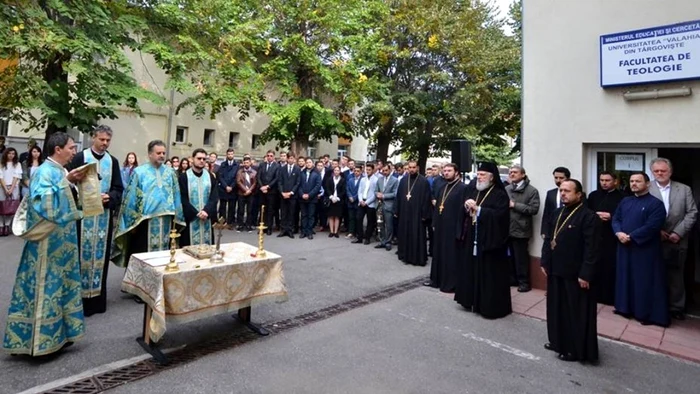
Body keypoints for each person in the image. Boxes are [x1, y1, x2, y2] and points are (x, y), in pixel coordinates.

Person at [3, 132, 86, 356]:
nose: (74, 151)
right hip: (46, 242)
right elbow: (41, 203)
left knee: (62, 286)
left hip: (63, 241)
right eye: (71, 147)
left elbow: (71, 202)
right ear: (57, 149)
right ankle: (40, 342)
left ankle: (61, 334)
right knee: (46, 286)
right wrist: (66, 184)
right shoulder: (43, 172)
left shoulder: (61, 171)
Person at [541, 179, 599, 363]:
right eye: (561, 190)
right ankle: (558, 341)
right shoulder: (557, 212)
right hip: (556, 269)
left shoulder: (588, 217)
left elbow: (593, 249)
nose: (563, 193)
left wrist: (586, 273)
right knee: (556, 308)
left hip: (575, 273)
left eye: (568, 191)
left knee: (575, 312)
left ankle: (575, 349)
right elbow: (549, 239)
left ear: (579, 194)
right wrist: (545, 261)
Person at [68, 125, 123, 316]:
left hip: (103, 217)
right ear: (93, 138)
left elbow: (118, 188)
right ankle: (78, 302)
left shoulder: (113, 161)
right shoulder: (80, 158)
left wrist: (110, 196)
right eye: (101, 139)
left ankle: (98, 302)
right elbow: (68, 183)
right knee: (81, 257)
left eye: (108, 140)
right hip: (83, 217)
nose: (105, 143)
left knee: (100, 258)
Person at [113, 140, 185, 268]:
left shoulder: (170, 172)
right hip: (144, 221)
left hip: (167, 220)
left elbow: (176, 195)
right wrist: (131, 222)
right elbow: (130, 197)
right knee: (142, 255)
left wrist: (178, 216)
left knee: (165, 255)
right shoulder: (139, 172)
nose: (162, 155)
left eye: (163, 153)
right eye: (158, 153)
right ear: (150, 154)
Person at [454, 162, 512, 319]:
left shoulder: (500, 194)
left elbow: (500, 217)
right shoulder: (473, 190)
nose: (478, 177)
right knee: (471, 269)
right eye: (478, 174)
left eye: (482, 175)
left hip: (490, 241)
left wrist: (479, 210)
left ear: (492, 177)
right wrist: (467, 206)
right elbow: (464, 211)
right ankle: (471, 300)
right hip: (473, 237)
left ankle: (488, 306)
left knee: (489, 274)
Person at [612, 172, 669, 327]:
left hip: (644, 249)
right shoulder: (625, 201)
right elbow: (616, 218)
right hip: (624, 247)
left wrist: (630, 236)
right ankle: (624, 308)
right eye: (631, 181)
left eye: (638, 181)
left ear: (647, 183)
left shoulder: (655, 204)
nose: (634, 184)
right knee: (625, 278)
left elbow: (653, 226)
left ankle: (644, 313)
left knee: (644, 281)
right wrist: (618, 232)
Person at [648, 158, 697, 321]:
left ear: (670, 172)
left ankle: (676, 307)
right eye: (656, 171)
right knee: (653, 274)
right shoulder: (646, 188)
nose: (660, 174)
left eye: (663, 171)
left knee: (676, 276)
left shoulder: (684, 189)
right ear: (652, 172)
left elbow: (692, 213)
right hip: (653, 239)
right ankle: (655, 305)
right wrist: (657, 231)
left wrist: (678, 232)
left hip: (677, 240)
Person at [425, 164, 468, 292]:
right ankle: (436, 280)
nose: (446, 173)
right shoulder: (443, 187)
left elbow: (464, 211)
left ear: (457, 172)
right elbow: (438, 205)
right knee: (438, 253)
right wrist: (434, 223)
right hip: (440, 227)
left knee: (450, 256)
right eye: (444, 171)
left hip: (453, 227)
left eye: (449, 171)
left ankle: (450, 283)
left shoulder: (463, 188)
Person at [587, 171, 625, 306]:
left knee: (611, 267)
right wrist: (595, 216)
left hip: (612, 237)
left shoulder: (622, 197)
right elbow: (586, 212)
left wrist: (611, 217)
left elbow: (624, 215)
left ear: (615, 181)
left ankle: (610, 297)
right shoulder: (593, 195)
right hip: (596, 236)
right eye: (602, 180)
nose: (604, 183)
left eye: (607, 180)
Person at [505, 165, 541, 293]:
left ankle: (524, 283)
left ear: (523, 175)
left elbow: (533, 209)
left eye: (515, 172)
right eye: (510, 172)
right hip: (506, 228)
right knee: (509, 257)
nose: (511, 174)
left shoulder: (531, 191)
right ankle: (512, 279)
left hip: (521, 229)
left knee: (521, 258)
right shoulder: (507, 189)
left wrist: (515, 205)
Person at [395, 160, 432, 265]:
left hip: (417, 215)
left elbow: (426, 198)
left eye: (413, 167)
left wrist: (425, 214)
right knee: (405, 234)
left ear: (417, 168)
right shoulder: (403, 180)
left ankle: (417, 258)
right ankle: (405, 256)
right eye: (410, 167)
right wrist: (397, 210)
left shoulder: (423, 181)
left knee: (417, 235)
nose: (411, 169)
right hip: (405, 213)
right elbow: (399, 196)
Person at [179, 149, 218, 246]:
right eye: (199, 158)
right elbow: (182, 198)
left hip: (206, 218)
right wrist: (196, 213)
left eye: (204, 159)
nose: (202, 161)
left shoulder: (210, 176)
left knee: (207, 250)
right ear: (192, 159)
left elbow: (214, 196)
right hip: (190, 219)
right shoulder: (184, 177)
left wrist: (206, 211)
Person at [541, 167, 570, 239]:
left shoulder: (576, 194)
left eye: (561, 178)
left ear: (568, 178)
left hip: (569, 229)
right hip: (552, 230)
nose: (558, 180)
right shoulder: (550, 193)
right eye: (556, 178)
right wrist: (544, 231)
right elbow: (546, 213)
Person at [374, 164, 399, 250]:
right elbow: (375, 190)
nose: (384, 172)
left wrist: (384, 196)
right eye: (383, 170)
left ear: (390, 170)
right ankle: (382, 241)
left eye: (386, 170)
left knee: (389, 225)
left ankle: (388, 241)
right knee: (380, 224)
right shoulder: (379, 179)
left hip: (388, 205)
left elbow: (395, 193)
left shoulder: (395, 180)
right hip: (379, 205)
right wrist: (377, 194)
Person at [352, 163, 377, 245]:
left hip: (370, 203)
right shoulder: (363, 179)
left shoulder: (376, 180)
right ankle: (359, 237)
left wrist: (366, 202)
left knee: (370, 221)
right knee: (358, 218)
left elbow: (375, 193)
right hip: (362, 201)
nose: (368, 171)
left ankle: (367, 238)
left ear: (373, 170)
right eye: (367, 170)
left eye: (369, 170)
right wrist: (360, 200)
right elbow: (360, 191)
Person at [278, 152, 301, 238]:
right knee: (283, 213)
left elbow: (298, 183)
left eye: (292, 158)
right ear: (287, 159)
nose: (291, 160)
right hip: (283, 195)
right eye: (289, 158)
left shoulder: (297, 169)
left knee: (291, 213)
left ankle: (290, 230)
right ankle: (283, 230)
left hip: (292, 195)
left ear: (294, 159)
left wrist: (291, 192)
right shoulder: (282, 169)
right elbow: (279, 181)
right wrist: (282, 192)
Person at [0, 147, 22, 236]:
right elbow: (0, 177)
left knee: (11, 206)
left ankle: (7, 225)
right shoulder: (1, 164)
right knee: (1, 206)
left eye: (13, 154)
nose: (11, 155)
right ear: (6, 154)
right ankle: (1, 225)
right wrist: (5, 188)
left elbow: (16, 177)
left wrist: (11, 189)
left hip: (14, 187)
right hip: (2, 187)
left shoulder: (17, 164)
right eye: (9, 153)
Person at [257, 150, 280, 236]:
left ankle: (269, 228)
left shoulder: (277, 166)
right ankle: (262, 227)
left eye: (271, 156)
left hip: (271, 192)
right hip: (262, 191)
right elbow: (258, 176)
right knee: (262, 210)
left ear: (274, 157)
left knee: (270, 210)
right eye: (268, 155)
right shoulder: (262, 165)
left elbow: (276, 178)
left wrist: (267, 187)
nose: (269, 157)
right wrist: (262, 186)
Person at [299, 157, 321, 239]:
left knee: (311, 215)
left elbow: (318, 186)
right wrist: (302, 194)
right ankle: (303, 231)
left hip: (312, 198)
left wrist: (309, 195)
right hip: (302, 198)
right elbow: (299, 184)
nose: (308, 164)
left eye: (310, 162)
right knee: (303, 215)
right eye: (307, 162)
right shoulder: (302, 173)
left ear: (312, 163)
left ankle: (309, 232)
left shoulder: (316, 173)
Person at [218, 148, 239, 229]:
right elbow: (220, 176)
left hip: (233, 189)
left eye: (231, 154)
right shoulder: (223, 164)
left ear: (233, 155)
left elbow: (237, 177)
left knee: (232, 207)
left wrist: (231, 186)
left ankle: (230, 223)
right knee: (222, 207)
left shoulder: (237, 165)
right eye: (229, 154)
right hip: (224, 188)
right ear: (226, 155)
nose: (230, 155)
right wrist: (226, 186)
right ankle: (222, 222)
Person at [236, 156, 257, 232]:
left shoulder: (254, 172)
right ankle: (240, 225)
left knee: (249, 210)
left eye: (247, 162)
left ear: (250, 163)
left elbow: (255, 183)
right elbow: (238, 182)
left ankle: (249, 225)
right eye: (244, 162)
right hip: (241, 193)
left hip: (251, 194)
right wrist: (245, 190)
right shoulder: (240, 172)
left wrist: (249, 190)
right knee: (241, 210)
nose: (246, 164)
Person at [324, 166, 346, 238]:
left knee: (337, 216)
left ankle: (336, 232)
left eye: (338, 170)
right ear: (333, 171)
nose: (336, 172)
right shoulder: (329, 179)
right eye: (335, 170)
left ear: (340, 171)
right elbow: (327, 188)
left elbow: (343, 190)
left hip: (339, 200)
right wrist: (331, 197)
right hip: (331, 200)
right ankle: (331, 231)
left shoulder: (343, 180)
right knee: (331, 216)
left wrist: (337, 198)